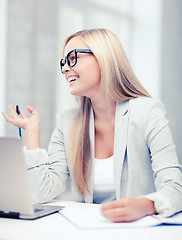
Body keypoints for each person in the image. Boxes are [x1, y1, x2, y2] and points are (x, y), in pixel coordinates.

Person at [2, 28, 182, 223]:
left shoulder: (147, 112)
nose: (64, 69)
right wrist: (32, 134)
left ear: (104, 58)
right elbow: (43, 192)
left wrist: (146, 205)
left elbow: (175, 187)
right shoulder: (67, 122)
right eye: (63, 62)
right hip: (88, 229)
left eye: (72, 58)